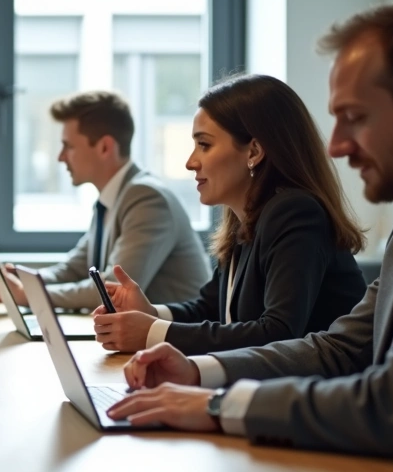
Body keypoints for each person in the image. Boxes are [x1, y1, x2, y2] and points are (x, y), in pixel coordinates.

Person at [105, 0, 393, 472]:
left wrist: (218, 405)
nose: (336, 145)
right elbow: (339, 348)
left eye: (354, 116)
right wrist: (199, 371)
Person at [92, 74, 367, 354]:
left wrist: (152, 333)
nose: (190, 162)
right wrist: (151, 313)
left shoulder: (295, 212)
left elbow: (279, 331)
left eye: (204, 145)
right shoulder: (246, 217)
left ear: (255, 151)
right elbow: (211, 309)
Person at [0, 91, 210, 309]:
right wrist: (18, 278)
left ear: (104, 147)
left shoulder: (147, 199)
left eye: (68, 146)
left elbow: (112, 289)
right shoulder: (112, 199)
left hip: (177, 345)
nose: (61, 157)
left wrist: (29, 295)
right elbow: (75, 269)